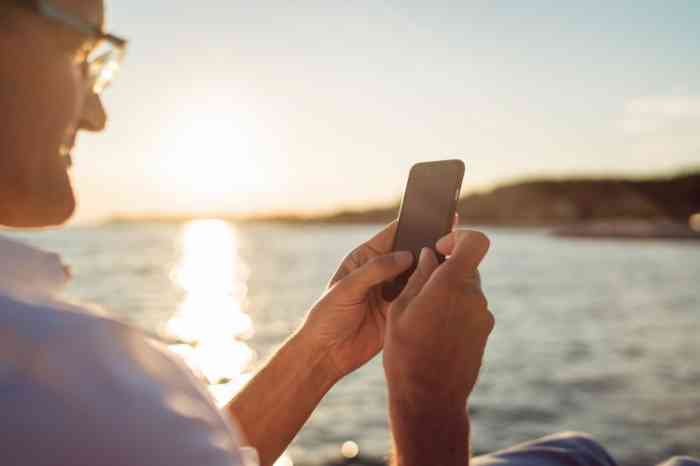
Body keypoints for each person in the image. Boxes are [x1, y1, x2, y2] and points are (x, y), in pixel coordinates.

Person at [1, 2, 698, 466]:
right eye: (85, 54)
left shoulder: (67, 390)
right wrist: (425, 398)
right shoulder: (58, 369)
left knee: (572, 455)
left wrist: (319, 354)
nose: (95, 113)